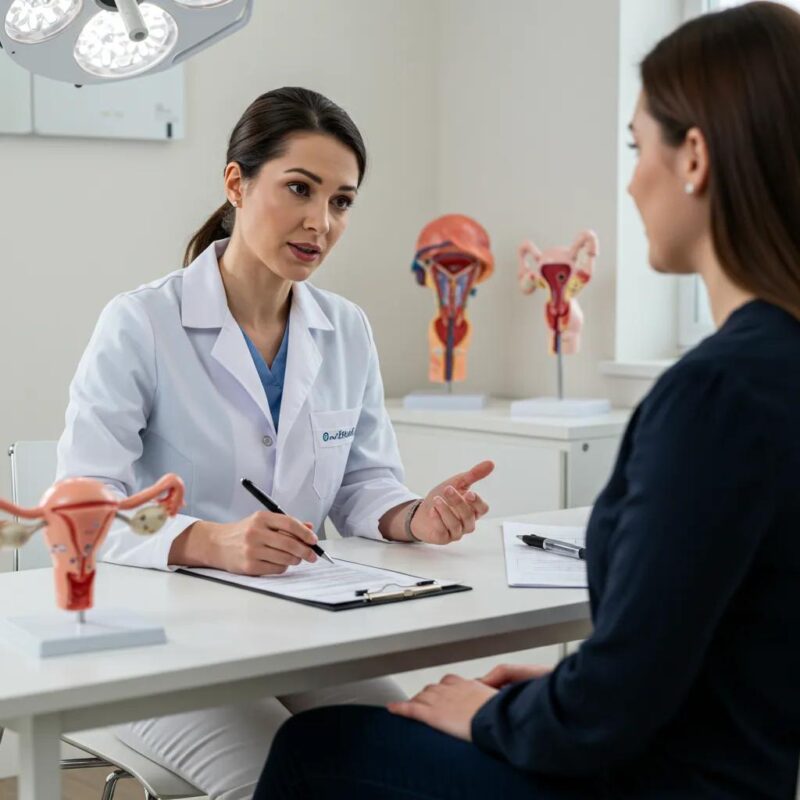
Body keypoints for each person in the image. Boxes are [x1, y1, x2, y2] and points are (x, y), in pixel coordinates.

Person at [253, 4, 800, 798]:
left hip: (657, 777)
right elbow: (697, 652)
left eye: (635, 146)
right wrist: (547, 699)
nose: (630, 177)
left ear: (696, 160)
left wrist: (498, 715)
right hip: (734, 770)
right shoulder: (770, 371)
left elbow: (617, 700)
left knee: (320, 747)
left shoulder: (714, 394)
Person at [56, 86, 494, 799]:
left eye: (342, 201)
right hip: (150, 640)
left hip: (298, 624)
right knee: (286, 779)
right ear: (236, 182)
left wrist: (414, 515)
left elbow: (363, 484)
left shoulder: (345, 328)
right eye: (299, 188)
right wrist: (208, 541)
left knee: (406, 765)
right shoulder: (142, 322)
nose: (320, 222)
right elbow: (83, 501)